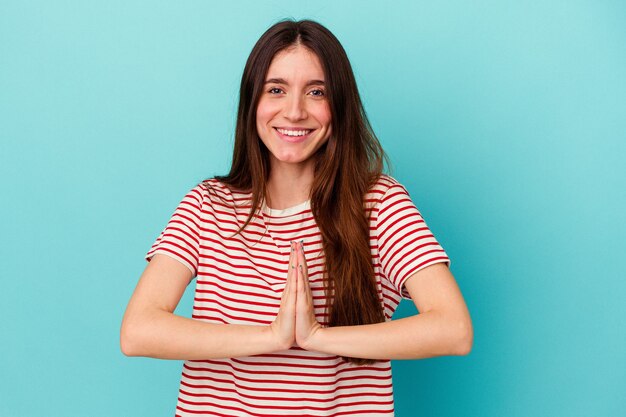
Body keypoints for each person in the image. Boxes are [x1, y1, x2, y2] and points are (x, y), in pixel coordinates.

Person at [121, 19, 473, 417]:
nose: (294, 111)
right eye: (276, 90)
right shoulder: (208, 205)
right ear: (252, 102)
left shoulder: (377, 204)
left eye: (316, 92)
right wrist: (271, 337)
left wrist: (317, 337)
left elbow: (453, 329)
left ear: (339, 106)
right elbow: (138, 331)